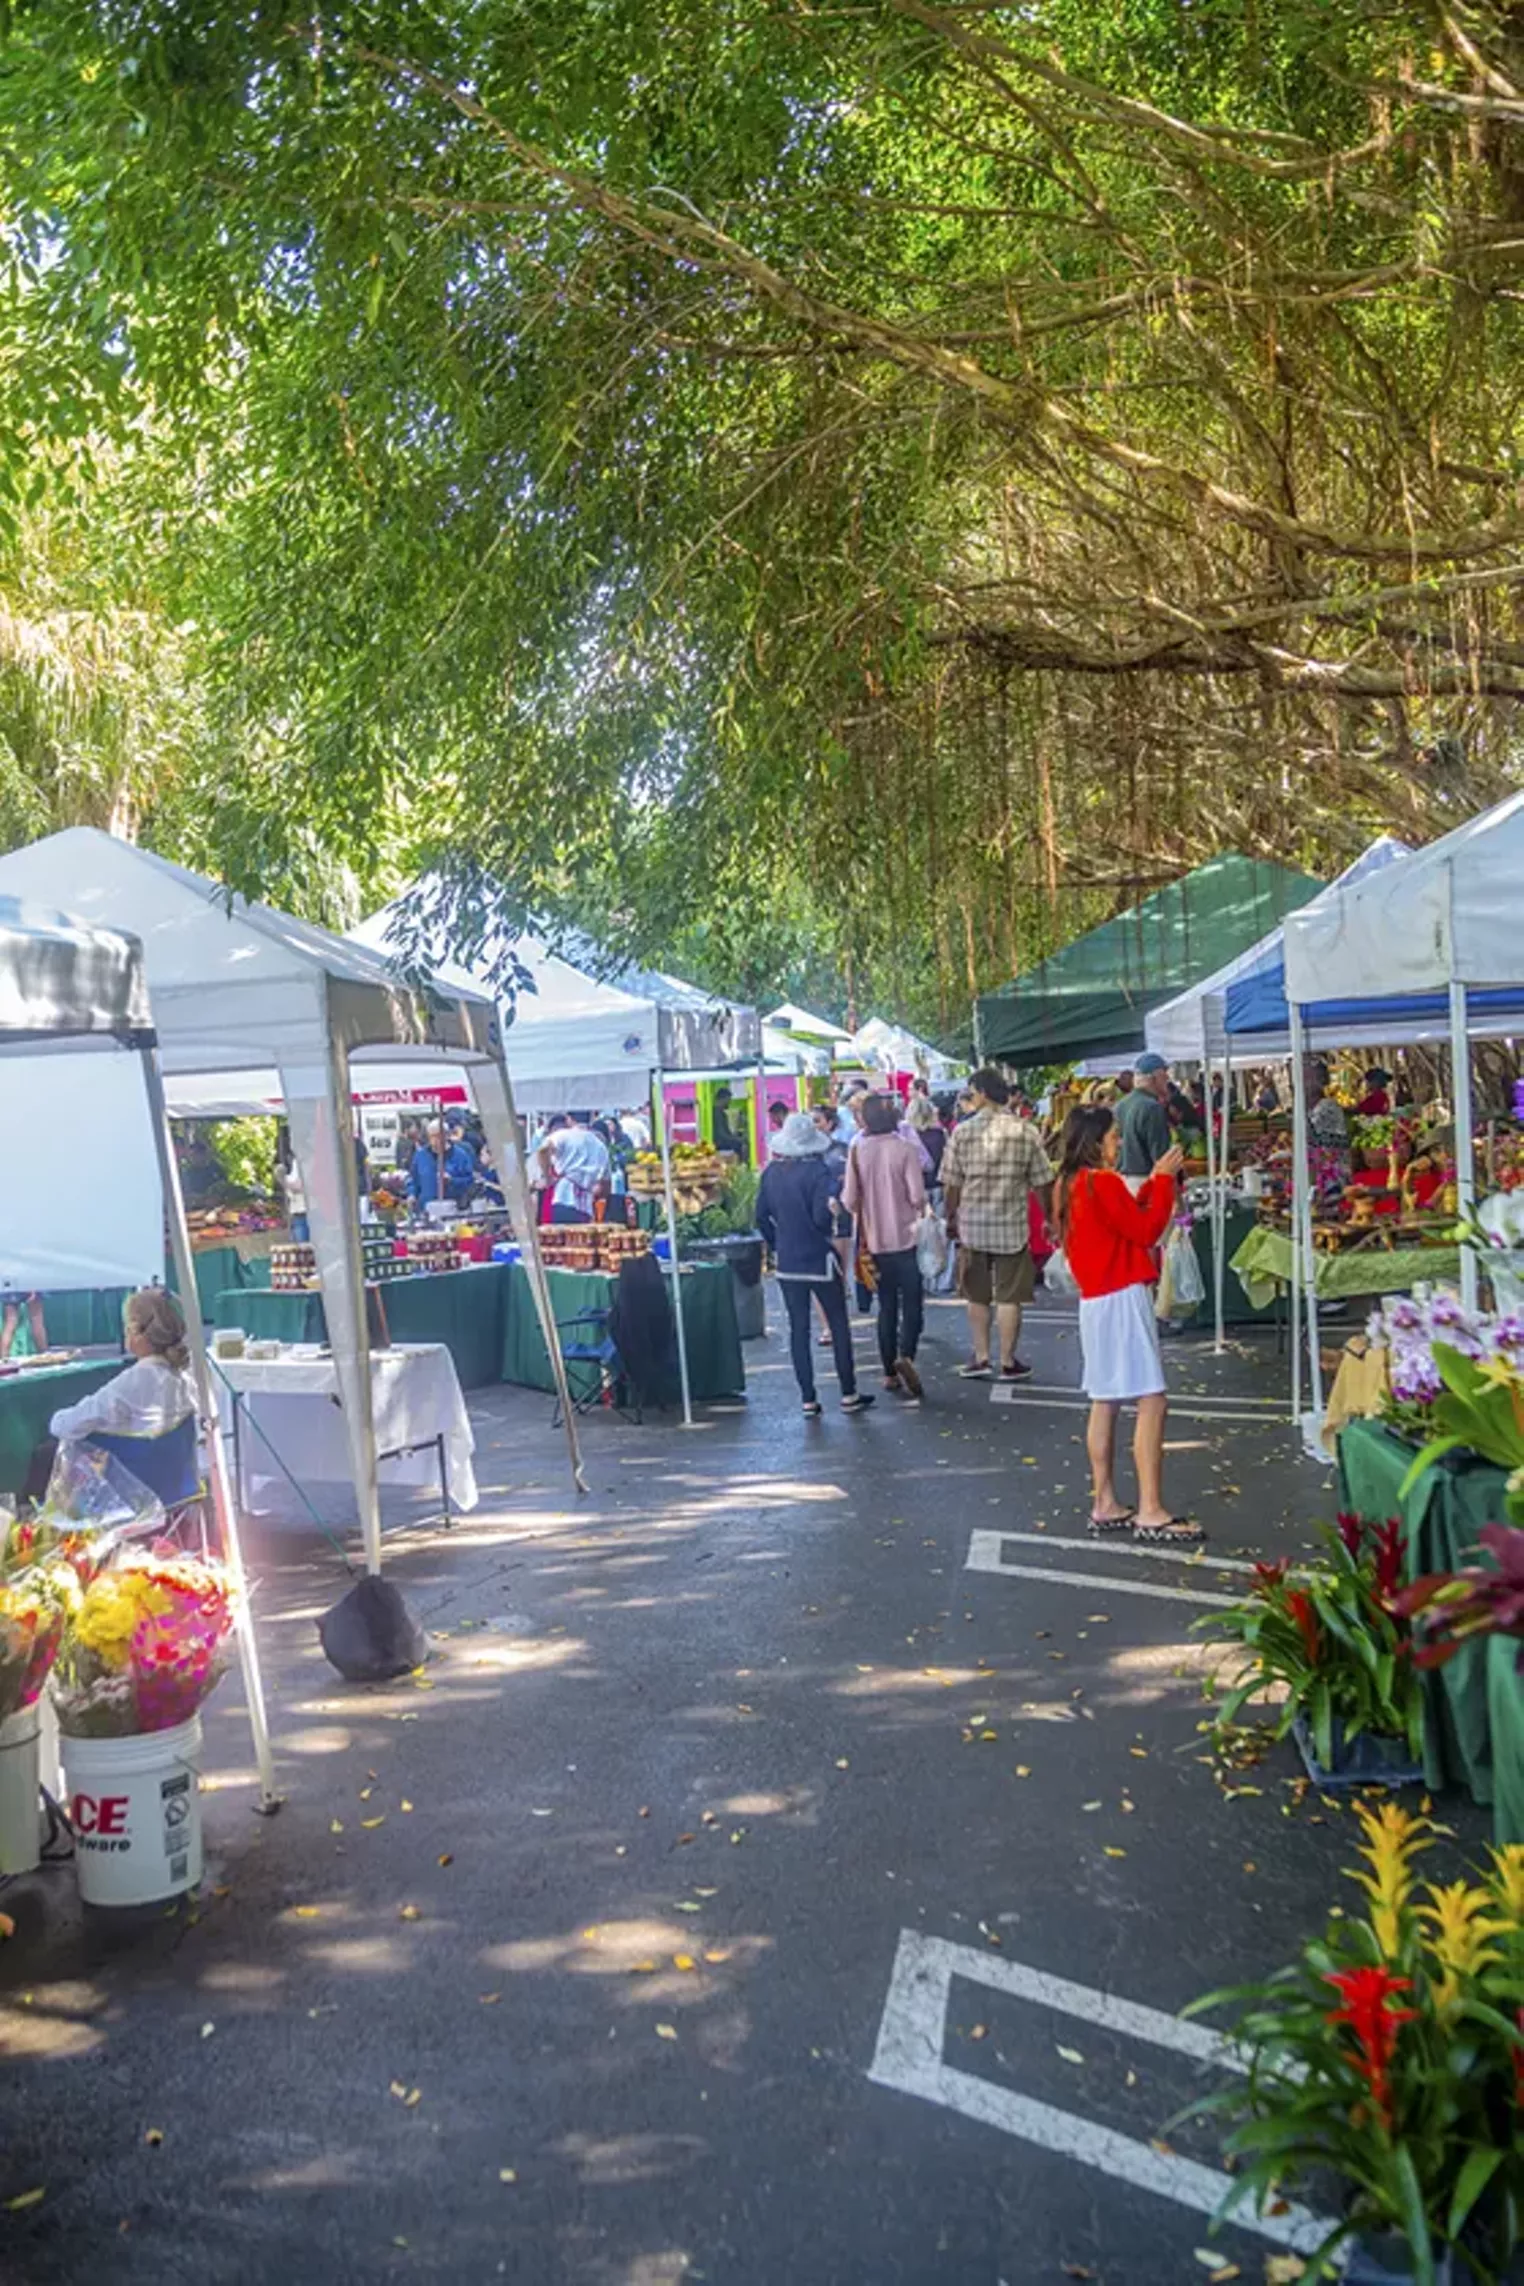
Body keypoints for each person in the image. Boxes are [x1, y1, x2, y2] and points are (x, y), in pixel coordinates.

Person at [1053, 1106, 1198, 1543]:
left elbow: (1118, 1222)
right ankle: (1150, 1508)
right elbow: (1146, 1229)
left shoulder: (1067, 1185)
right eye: (1114, 1136)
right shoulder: (1102, 1181)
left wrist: (1151, 1185)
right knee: (1151, 1400)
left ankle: (1105, 1500)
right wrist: (1161, 1180)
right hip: (1122, 1293)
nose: (1119, 1143)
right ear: (1096, 1141)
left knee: (1105, 1399)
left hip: (1094, 1300)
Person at [755, 1112, 874, 1418]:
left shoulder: (770, 1173)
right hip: (818, 1257)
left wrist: (777, 1241)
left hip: (787, 1260)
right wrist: (829, 1222)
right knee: (837, 1323)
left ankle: (808, 1398)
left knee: (798, 1329)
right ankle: (848, 1392)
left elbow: (760, 1217)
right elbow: (823, 1218)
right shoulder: (819, 1173)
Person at [940, 1067, 1054, 1382]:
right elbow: (1043, 1181)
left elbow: (951, 1183)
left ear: (983, 1093)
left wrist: (951, 1216)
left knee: (976, 1295)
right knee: (1010, 1297)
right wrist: (1049, 1218)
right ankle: (1007, 1361)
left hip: (973, 1226)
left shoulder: (961, 1133)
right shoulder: (1025, 1131)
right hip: (1012, 1226)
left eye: (971, 1092)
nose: (969, 1097)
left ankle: (980, 1357)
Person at [842, 1092, 927, 1400]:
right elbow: (918, 1196)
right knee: (913, 1301)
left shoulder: (856, 1150)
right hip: (907, 1238)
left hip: (873, 1242)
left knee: (886, 1306)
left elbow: (849, 1200)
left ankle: (889, 1373)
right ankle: (907, 1354)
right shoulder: (905, 1149)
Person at [49, 1288, 197, 1442]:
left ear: (135, 1331)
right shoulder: (190, 1374)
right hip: (180, 1462)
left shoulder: (135, 1380)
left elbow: (67, 1426)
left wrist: (57, 1417)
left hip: (134, 1464)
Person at [537, 1113, 612, 1224]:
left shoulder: (562, 1135)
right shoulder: (599, 1145)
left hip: (564, 1198)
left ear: (569, 1119)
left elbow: (543, 1150)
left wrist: (548, 1178)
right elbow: (605, 1187)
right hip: (586, 1206)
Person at [1116, 1051, 1173, 1178]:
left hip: (1121, 1179)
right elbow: (1161, 1157)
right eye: (1164, 1073)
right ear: (1154, 1077)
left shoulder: (1120, 1105)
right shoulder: (1152, 1107)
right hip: (1144, 1179)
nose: (1167, 1078)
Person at [1307, 1061, 1351, 1204]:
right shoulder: (1314, 1109)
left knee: (1334, 1204)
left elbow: (1313, 1138)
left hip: (1334, 1172)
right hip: (1326, 1172)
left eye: (1308, 1078)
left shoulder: (1327, 1107)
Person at [410, 1120, 477, 1210]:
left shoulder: (461, 1156)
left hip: (453, 1207)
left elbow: (470, 1182)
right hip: (426, 1208)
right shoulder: (420, 1156)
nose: (434, 1140)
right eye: (431, 1136)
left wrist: (452, 1181)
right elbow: (413, 1179)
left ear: (447, 1136)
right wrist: (412, 1194)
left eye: (438, 1136)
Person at [0, 1292, 47, 1361]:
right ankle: (45, 1357)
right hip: (30, 1284)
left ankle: (2, 1360)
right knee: (36, 1318)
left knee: (11, 1321)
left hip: (10, 1285)